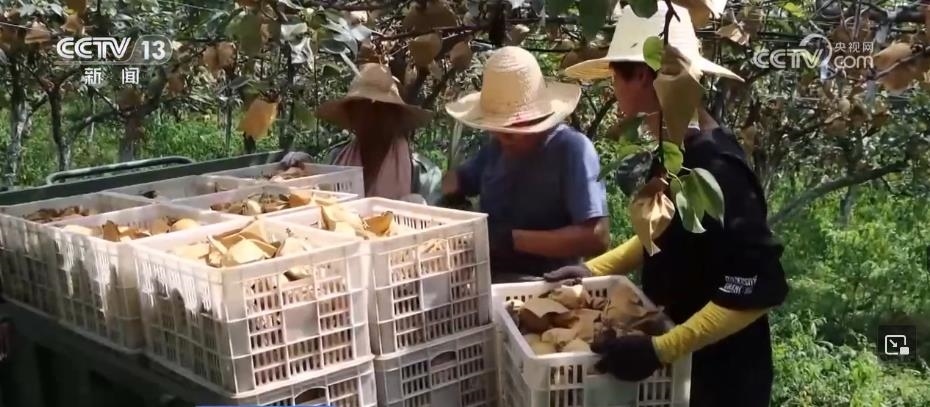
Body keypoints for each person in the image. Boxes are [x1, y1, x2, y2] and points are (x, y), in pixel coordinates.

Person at [546, 4, 789, 407]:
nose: (612, 88)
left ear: (642, 76)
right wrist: (594, 269)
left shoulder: (716, 166)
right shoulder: (674, 149)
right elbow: (668, 231)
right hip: (683, 373)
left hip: (722, 380)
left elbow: (755, 286)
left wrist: (662, 349)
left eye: (614, 75)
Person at [441, 46, 610, 283]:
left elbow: (596, 237)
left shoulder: (571, 150)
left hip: (546, 287)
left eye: (511, 130)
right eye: (498, 128)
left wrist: (511, 240)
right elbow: (456, 179)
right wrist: (451, 196)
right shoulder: (497, 149)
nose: (503, 136)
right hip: (489, 283)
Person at [280, 63, 441, 202]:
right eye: (363, 110)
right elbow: (320, 196)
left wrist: (421, 214)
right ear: (352, 116)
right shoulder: (337, 158)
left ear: (396, 117)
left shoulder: (421, 174)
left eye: (381, 110)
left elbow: (440, 225)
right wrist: (306, 168)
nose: (372, 118)